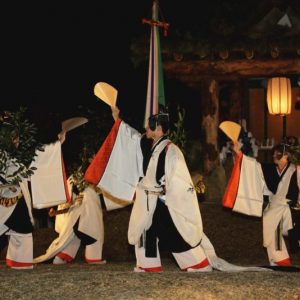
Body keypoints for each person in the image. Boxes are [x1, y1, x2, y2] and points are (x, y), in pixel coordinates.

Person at [84, 106, 265, 273]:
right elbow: (131, 138)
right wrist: (118, 119)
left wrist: (170, 194)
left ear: (159, 129)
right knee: (145, 230)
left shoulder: (171, 150)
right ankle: (149, 264)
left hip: (161, 200)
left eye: (149, 127)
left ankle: (198, 263)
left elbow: (179, 179)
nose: (146, 129)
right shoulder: (150, 145)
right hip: (147, 199)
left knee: (174, 233)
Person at [0, 110, 67, 270]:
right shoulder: (4, 153)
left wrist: (58, 143)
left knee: (21, 228)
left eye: (16, 136)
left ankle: (19, 261)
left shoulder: (17, 155)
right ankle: (19, 261)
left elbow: (39, 160)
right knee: (16, 228)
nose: (16, 140)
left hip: (16, 198)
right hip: (5, 197)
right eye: (13, 136)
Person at [223, 141, 300, 266]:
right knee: (273, 223)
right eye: (274, 154)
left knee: (273, 220)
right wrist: (238, 153)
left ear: (287, 156)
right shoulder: (270, 169)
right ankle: (280, 259)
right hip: (275, 207)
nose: (275, 156)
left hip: (291, 209)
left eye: (278, 154)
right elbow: (253, 167)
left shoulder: (295, 170)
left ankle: (280, 259)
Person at [33, 175, 106, 265]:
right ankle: (93, 258)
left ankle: (61, 257)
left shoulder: (73, 177)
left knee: (72, 235)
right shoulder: (79, 176)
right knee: (92, 231)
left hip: (77, 210)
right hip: (86, 207)